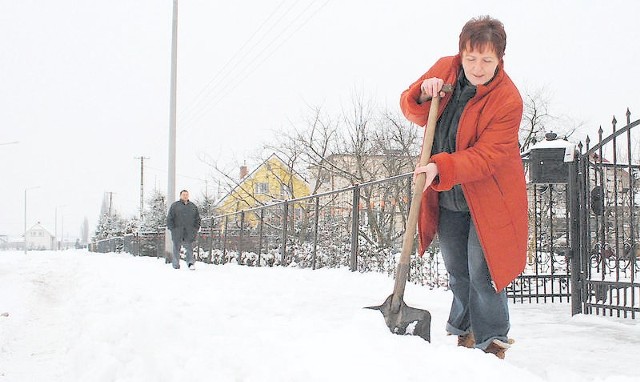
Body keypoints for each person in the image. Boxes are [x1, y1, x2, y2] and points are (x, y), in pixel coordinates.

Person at [399, 15, 527, 359]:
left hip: (490, 199)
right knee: (458, 272)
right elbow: (410, 107)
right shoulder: (447, 68)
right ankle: (465, 333)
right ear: (461, 53)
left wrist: (441, 166)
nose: (477, 67)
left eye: (487, 60)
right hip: (448, 193)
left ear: (500, 59)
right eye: (471, 58)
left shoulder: (507, 100)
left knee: (483, 273)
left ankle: (492, 341)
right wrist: (424, 94)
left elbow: (487, 157)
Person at [166, 190, 201, 270]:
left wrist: (195, 229)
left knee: (189, 247)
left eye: (187, 194)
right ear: (180, 195)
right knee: (176, 248)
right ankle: (176, 264)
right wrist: (172, 228)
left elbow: (197, 219)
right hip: (177, 231)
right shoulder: (175, 206)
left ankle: (190, 263)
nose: (185, 196)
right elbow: (170, 218)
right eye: (184, 194)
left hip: (189, 231)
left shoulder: (193, 206)